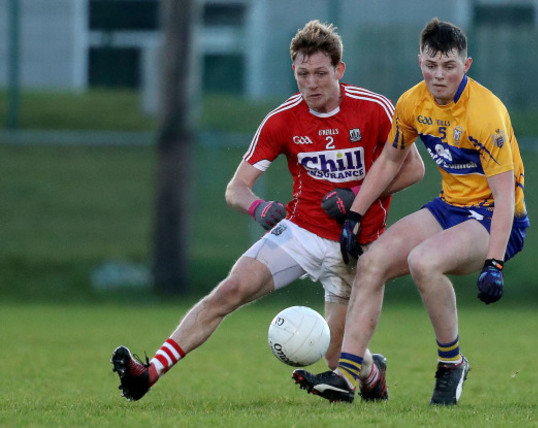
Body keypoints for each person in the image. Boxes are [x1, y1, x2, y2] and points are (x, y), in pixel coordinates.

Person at [111, 20, 424, 402]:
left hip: (356, 244)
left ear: (339, 71)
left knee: (334, 351)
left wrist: (355, 197)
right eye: (302, 73)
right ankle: (149, 373)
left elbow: (414, 169)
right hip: (301, 232)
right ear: (294, 71)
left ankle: (373, 374)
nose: (311, 83)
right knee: (229, 291)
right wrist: (257, 207)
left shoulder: (374, 109)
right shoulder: (282, 119)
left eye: (320, 73)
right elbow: (236, 189)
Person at [292, 18, 529, 405]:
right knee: (371, 262)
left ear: (465, 66)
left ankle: (451, 364)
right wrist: (355, 213)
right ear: (419, 60)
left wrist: (495, 264)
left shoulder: (487, 114)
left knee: (423, 261)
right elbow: (389, 160)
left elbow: (504, 200)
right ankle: (347, 375)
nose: (439, 76)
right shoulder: (411, 102)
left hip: (494, 218)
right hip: (449, 207)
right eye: (431, 65)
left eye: (449, 67)